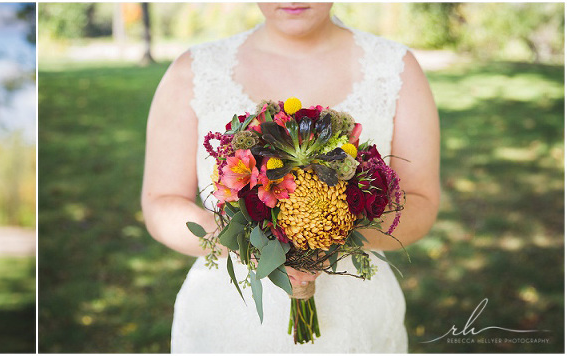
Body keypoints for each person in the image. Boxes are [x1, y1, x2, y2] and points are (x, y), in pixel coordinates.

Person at [141, 3, 439, 353]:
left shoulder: (395, 67)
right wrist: (251, 245)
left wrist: (333, 233)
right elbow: (161, 202)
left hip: (355, 319)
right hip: (227, 322)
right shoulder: (192, 70)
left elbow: (421, 201)